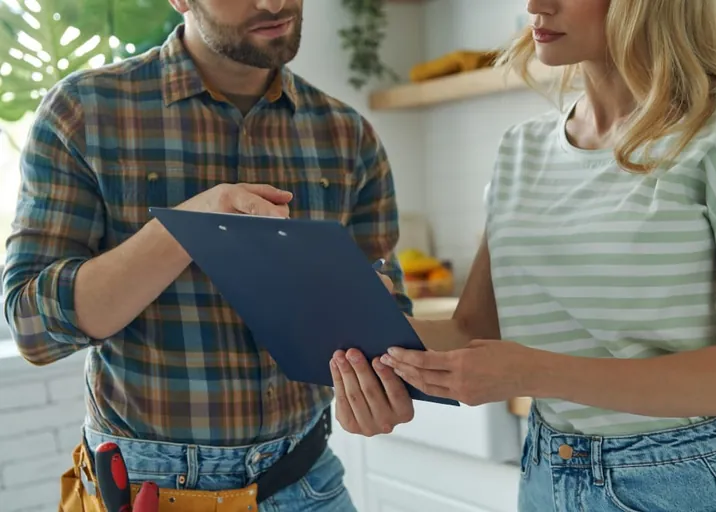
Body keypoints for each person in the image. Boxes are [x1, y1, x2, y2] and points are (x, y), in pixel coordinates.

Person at [332, 0, 716, 510]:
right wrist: (361, 324)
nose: (535, 6)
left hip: (678, 477)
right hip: (546, 469)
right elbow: (473, 332)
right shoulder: (522, 149)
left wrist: (534, 374)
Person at [1, 0, 411, 510]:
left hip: (308, 481)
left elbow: (391, 324)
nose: (274, 2)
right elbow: (31, 326)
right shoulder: (84, 112)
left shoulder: (349, 136)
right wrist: (192, 225)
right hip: (146, 491)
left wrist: (380, 377)